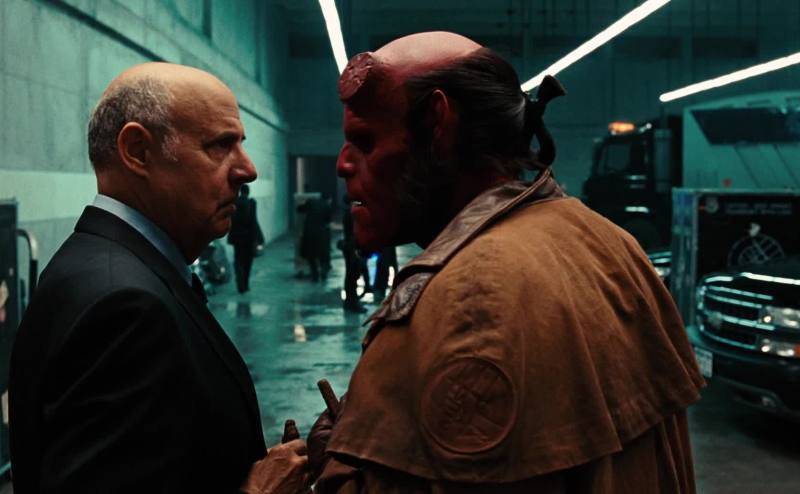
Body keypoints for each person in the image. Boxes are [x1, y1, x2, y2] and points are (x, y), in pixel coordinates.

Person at [307, 32, 705, 493]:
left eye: (365, 140)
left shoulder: (465, 300)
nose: (342, 164)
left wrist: (331, 466)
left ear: (437, 126)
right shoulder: (608, 241)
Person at [9, 63, 308, 493]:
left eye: (241, 145)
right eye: (221, 145)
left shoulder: (99, 265)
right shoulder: (125, 307)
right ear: (138, 151)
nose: (248, 170)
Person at [228, 183, 259, 293]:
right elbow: (254, 222)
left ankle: (239, 283)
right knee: (247, 262)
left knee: (238, 260)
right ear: (248, 192)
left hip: (237, 238)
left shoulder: (234, 203)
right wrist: (257, 238)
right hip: (248, 238)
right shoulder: (251, 203)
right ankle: (245, 284)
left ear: (240, 191)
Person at [339, 194, 366, 313]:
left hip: (349, 247)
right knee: (353, 275)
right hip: (352, 248)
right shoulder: (352, 214)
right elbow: (354, 232)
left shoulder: (348, 213)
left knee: (350, 275)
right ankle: (353, 302)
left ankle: (349, 301)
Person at [298, 196, 332, 282]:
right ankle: (323, 270)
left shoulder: (311, 201)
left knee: (311, 255)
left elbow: (299, 209)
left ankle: (315, 275)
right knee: (322, 255)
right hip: (322, 233)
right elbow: (328, 220)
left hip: (310, 233)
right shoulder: (327, 206)